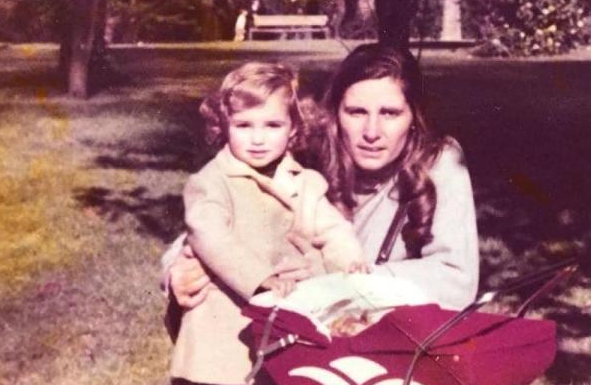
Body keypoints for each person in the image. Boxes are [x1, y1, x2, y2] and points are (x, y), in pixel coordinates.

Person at [165, 43, 479, 316]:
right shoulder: (301, 153)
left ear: (414, 118)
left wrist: (340, 282)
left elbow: (455, 278)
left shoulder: (438, 160)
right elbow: (212, 217)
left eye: (390, 113)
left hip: (389, 338)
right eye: (356, 112)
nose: (371, 132)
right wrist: (175, 269)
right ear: (334, 114)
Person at [169, 61, 365, 385]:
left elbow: (333, 228)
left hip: (281, 341)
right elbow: (209, 235)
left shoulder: (303, 182)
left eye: (272, 125)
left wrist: (350, 263)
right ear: (223, 127)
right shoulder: (212, 181)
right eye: (243, 125)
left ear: (292, 130)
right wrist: (261, 278)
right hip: (218, 341)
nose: (257, 139)